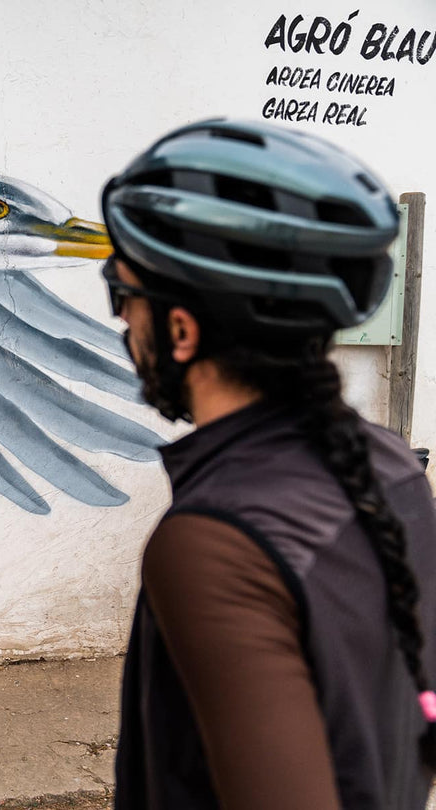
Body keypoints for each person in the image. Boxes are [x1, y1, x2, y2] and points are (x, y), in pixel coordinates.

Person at [101, 118, 436, 810]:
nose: (122, 322)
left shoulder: (212, 541)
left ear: (182, 330)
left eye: (124, 295)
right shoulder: (392, 465)